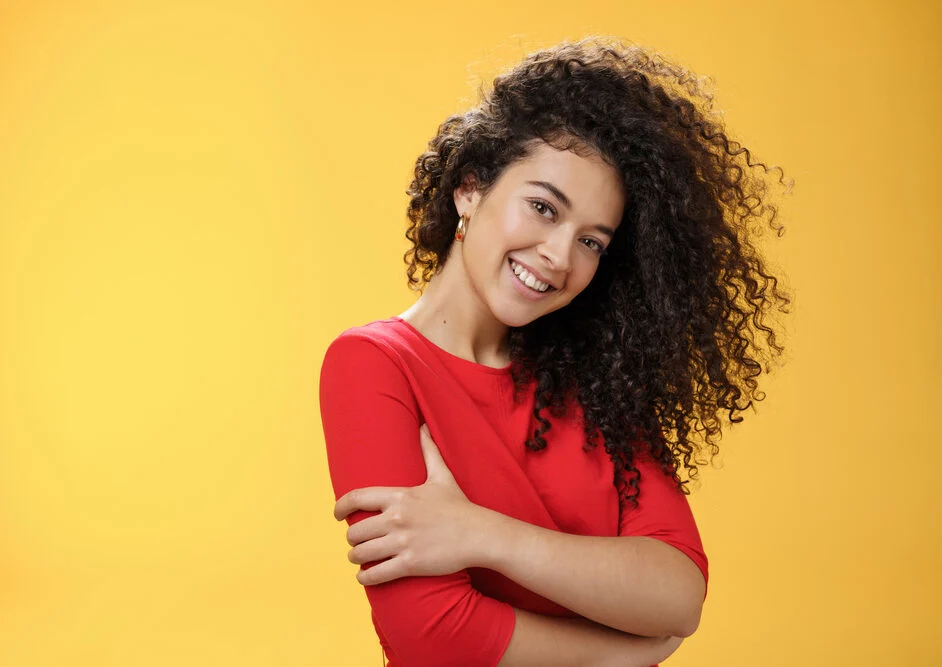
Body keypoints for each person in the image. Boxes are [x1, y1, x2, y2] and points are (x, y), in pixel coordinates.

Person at [318, 36, 791, 667]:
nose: (559, 256)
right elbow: (431, 633)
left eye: (592, 241)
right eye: (543, 207)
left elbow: (677, 596)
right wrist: (615, 655)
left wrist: (481, 535)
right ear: (469, 189)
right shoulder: (373, 364)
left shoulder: (594, 381)